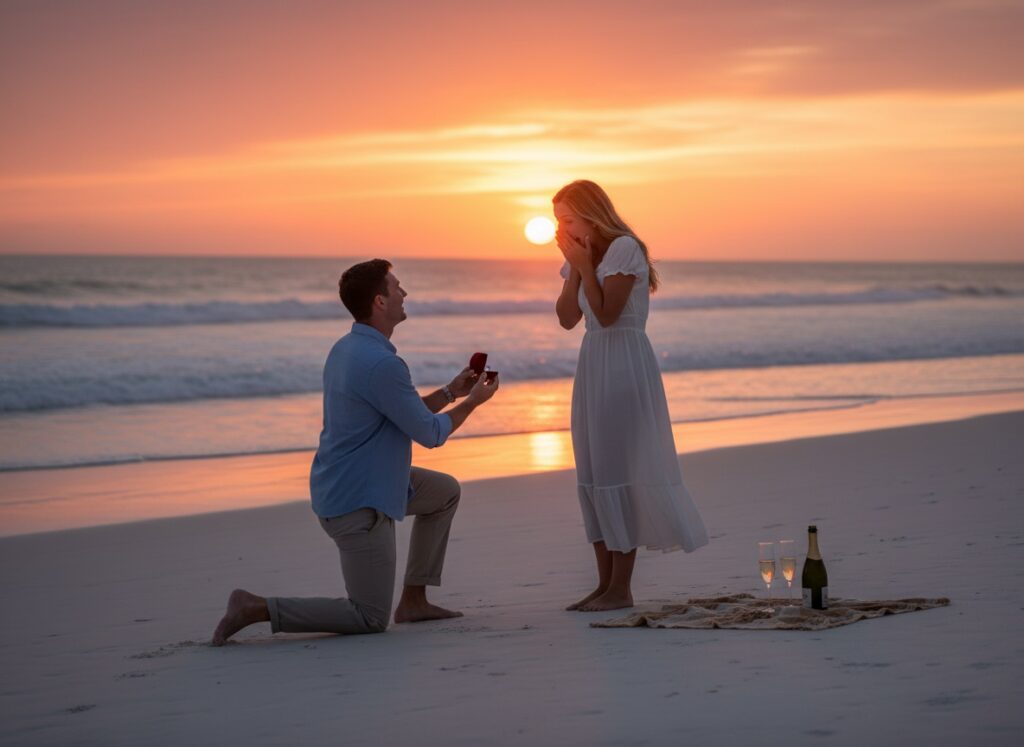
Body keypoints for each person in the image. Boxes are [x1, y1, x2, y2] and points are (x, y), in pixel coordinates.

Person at [212, 259, 499, 644]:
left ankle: (414, 599)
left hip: (356, 481)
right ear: (380, 301)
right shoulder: (382, 363)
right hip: (360, 502)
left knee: (444, 492)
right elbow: (430, 434)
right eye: (397, 286)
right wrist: (475, 403)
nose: (405, 293)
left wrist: (451, 392)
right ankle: (256, 607)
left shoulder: (348, 348)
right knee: (369, 617)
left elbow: (403, 414)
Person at [553, 180, 708, 612]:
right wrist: (573, 266)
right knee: (595, 470)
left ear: (590, 213)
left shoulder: (623, 249)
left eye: (567, 219)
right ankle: (604, 586)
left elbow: (606, 315)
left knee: (619, 468)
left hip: (623, 363)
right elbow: (568, 319)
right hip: (593, 365)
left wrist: (584, 266)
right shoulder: (582, 255)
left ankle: (621, 588)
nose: (561, 228)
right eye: (557, 221)